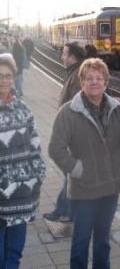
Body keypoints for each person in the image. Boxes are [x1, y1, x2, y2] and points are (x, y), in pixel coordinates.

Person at [48, 58, 120, 269]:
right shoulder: (68, 112)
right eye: (89, 78)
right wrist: (77, 169)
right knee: (81, 239)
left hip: (110, 187)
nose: (94, 82)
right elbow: (55, 148)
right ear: (82, 82)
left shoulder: (117, 110)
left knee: (103, 240)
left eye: (99, 78)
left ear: (106, 82)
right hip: (84, 188)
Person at [0, 57, 46, 268]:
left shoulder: (23, 109)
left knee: (14, 253)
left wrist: (38, 176)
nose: (4, 80)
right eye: (0, 76)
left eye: (8, 76)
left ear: (13, 78)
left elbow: (35, 146)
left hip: (21, 196)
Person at [43, 41, 87, 222]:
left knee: (70, 174)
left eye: (65, 54)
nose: (62, 57)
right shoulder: (75, 72)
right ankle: (65, 209)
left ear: (73, 58)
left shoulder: (78, 75)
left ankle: (67, 210)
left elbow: (77, 107)